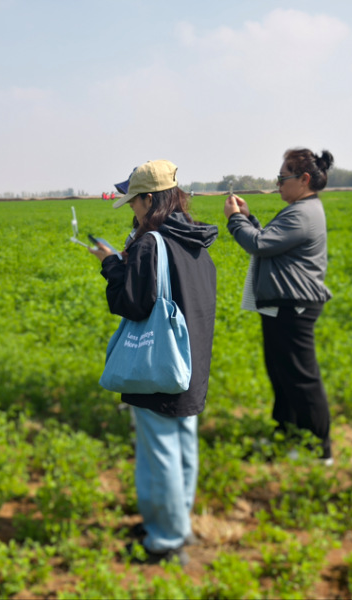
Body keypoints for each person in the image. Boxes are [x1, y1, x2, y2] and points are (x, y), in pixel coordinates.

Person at [90, 160, 218, 566]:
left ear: (149, 199)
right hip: (190, 361)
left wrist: (111, 264)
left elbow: (131, 302)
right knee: (182, 446)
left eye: (134, 201)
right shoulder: (194, 237)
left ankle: (165, 540)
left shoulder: (151, 243)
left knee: (159, 453)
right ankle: (178, 525)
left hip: (159, 365)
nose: (131, 208)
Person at [223, 148, 334, 462]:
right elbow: (270, 239)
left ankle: (318, 449)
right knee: (282, 374)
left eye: (282, 178)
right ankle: (287, 434)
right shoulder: (301, 209)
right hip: (285, 303)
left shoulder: (302, 213)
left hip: (293, 305)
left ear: (304, 179)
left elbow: (259, 243)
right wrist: (248, 219)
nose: (278, 184)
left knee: (300, 376)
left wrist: (234, 220)